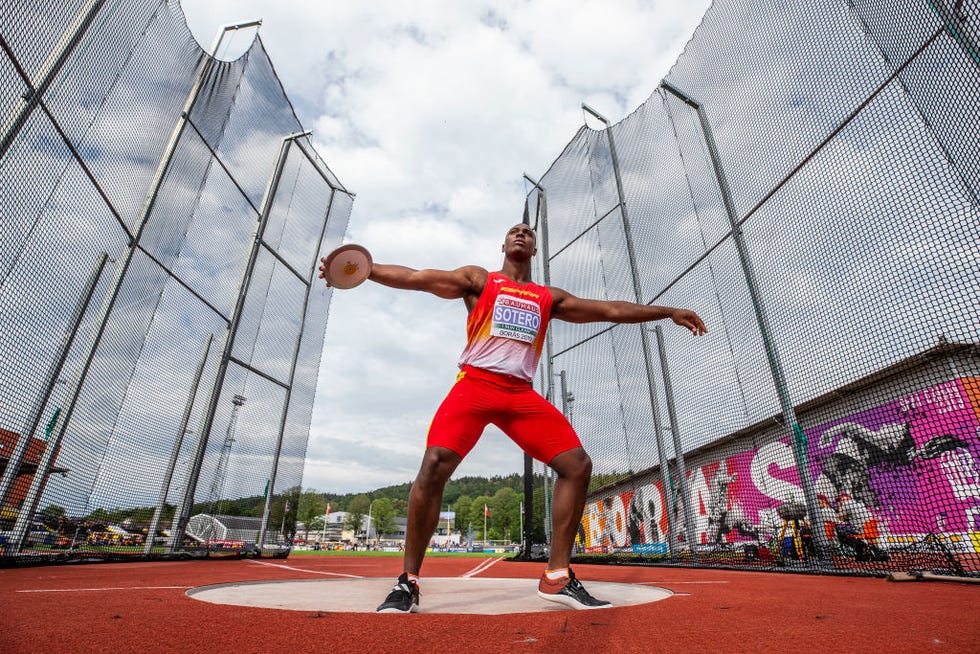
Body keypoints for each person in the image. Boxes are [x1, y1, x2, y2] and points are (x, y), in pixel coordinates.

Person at [319, 223, 706, 613]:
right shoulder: (479, 280)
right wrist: (365, 269)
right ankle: (408, 582)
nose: (521, 233)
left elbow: (608, 310)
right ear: (503, 244)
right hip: (475, 385)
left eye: (528, 232)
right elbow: (420, 278)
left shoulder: (548, 297)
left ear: (534, 249)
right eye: (514, 231)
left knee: (577, 465)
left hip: (519, 394)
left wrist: (667, 310)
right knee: (434, 464)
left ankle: (557, 576)